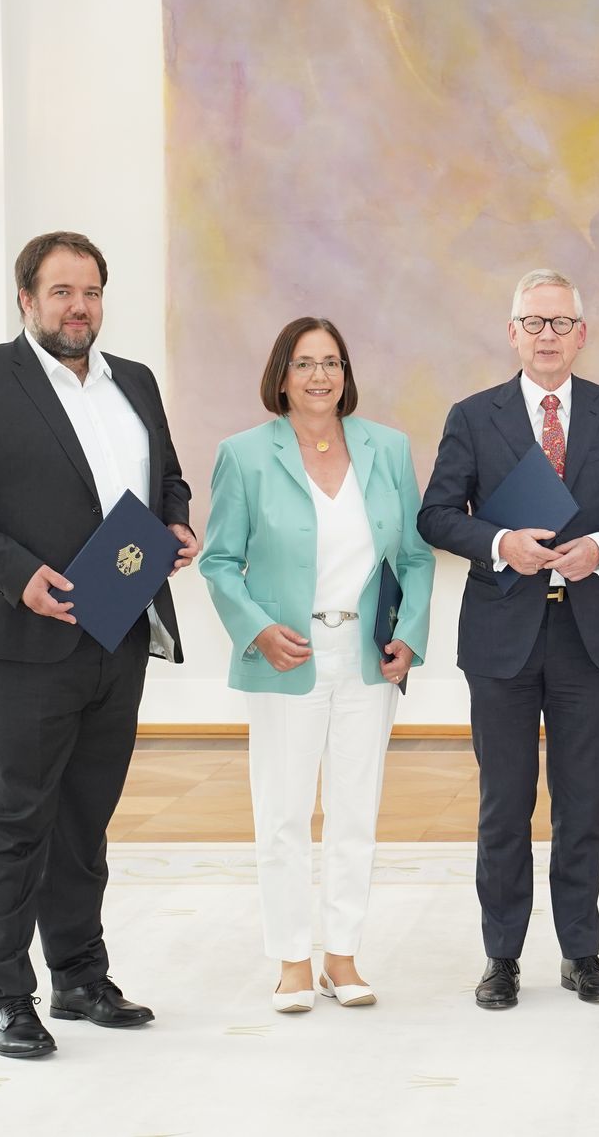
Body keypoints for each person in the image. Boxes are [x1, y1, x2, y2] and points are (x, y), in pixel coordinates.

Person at [0, 232, 198, 1059]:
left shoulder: (133, 382)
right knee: (16, 816)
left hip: (119, 623)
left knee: (85, 816)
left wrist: (175, 518)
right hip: (15, 637)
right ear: (27, 299)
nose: (80, 307)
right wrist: (20, 573)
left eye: (93, 291)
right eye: (63, 291)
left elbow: (165, 475)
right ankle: (5, 994)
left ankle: (78, 973)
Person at [418, 269, 599, 1008]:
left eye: (561, 322)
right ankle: (502, 955)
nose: (547, 335)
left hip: (587, 634)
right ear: (512, 331)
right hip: (501, 636)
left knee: (582, 804)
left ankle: (582, 952)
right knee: (503, 804)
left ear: (581, 334)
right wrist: (498, 544)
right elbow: (435, 514)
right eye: (534, 321)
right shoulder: (472, 414)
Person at [199, 318, 434, 1012]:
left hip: (367, 657)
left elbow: (415, 556)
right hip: (286, 655)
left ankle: (342, 956)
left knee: (355, 811)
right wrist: (258, 629)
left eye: (331, 361)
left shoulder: (386, 448)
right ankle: (292, 959)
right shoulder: (243, 455)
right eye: (305, 363)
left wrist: (410, 634)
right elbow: (218, 561)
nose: (320, 375)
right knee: (283, 812)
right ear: (281, 375)